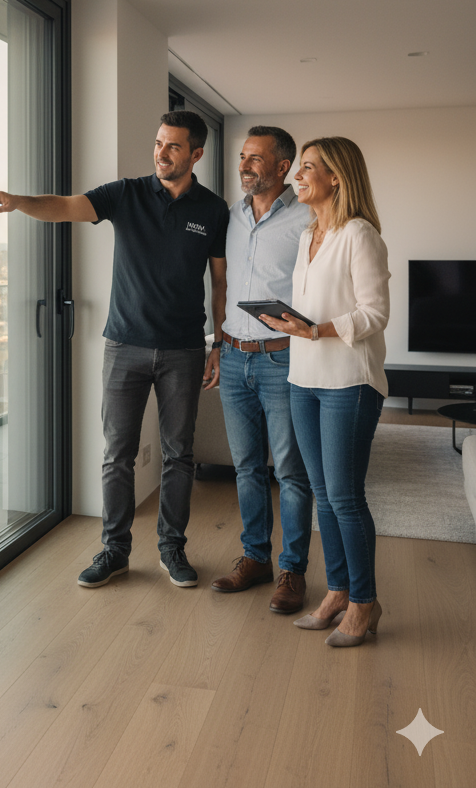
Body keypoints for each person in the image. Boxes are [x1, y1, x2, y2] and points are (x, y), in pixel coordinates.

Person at [0, 111, 228, 589]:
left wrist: (216, 342)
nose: (161, 153)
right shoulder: (127, 193)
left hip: (183, 350)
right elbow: (64, 206)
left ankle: (172, 549)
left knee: (180, 455)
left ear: (196, 154)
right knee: (118, 454)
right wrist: (16, 201)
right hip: (124, 348)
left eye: (174, 146)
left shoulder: (213, 210)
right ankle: (114, 550)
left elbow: (219, 283)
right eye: (158, 143)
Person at [259, 136, 389, 647]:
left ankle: (365, 602)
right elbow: (311, 310)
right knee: (325, 499)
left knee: (346, 497)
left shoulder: (360, 235)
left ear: (337, 176)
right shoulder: (309, 234)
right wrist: (289, 322)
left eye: (309, 167)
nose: (298, 174)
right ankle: (338, 592)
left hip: (348, 384)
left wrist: (316, 330)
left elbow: (375, 313)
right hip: (303, 380)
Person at [211, 127, 313, 614]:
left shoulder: (308, 219)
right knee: (247, 468)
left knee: (291, 472)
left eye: (256, 159)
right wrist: (216, 344)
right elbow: (222, 284)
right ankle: (255, 559)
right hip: (233, 357)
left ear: (282, 167)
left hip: (282, 359)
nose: (245, 165)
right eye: (242, 157)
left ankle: (292, 570)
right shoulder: (231, 215)